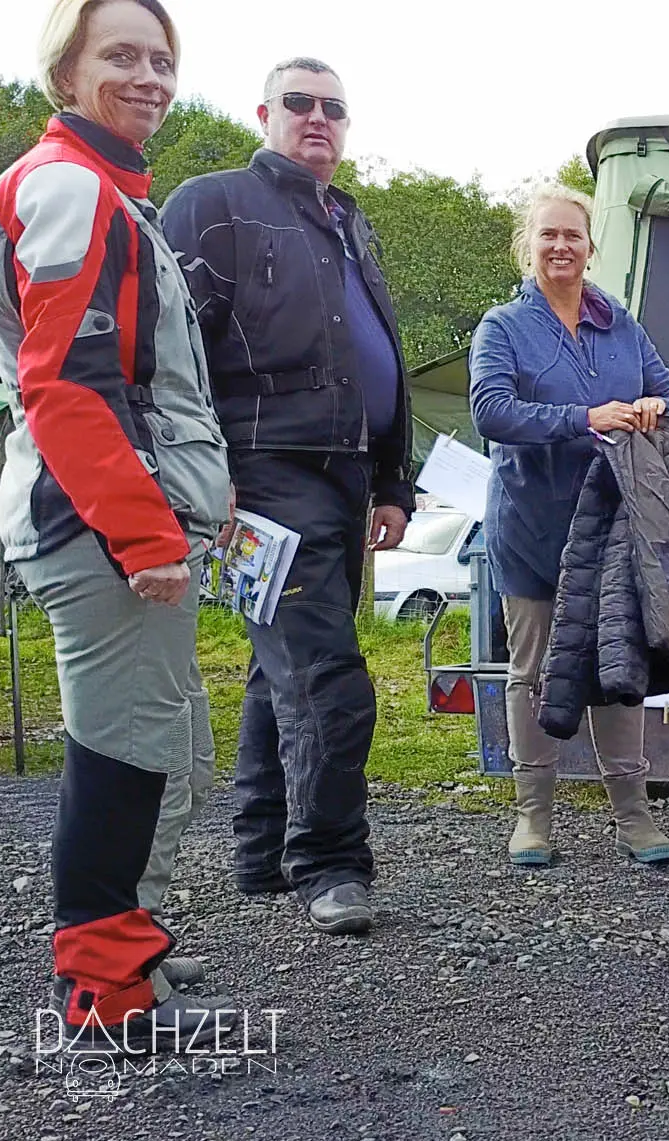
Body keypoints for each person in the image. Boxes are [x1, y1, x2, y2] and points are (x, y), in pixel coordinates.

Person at [0, 0, 236, 1047]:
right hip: (96, 529)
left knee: (157, 743)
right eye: (119, 55)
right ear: (65, 71)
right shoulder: (72, 189)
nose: (149, 76)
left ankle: (131, 952)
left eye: (162, 60)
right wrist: (144, 532)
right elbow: (67, 384)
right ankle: (105, 992)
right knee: (124, 752)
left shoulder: (104, 193)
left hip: (105, 521)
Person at [161, 57, 414, 934]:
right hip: (263, 472)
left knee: (285, 676)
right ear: (265, 112)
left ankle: (261, 849)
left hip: (346, 476)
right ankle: (331, 864)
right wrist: (203, 472)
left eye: (335, 108)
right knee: (328, 678)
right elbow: (171, 349)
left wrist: (391, 479)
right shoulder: (215, 201)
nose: (319, 119)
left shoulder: (349, 221)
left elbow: (378, 351)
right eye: (300, 104)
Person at [469, 184, 669, 868]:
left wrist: (656, 405)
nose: (561, 246)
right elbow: (491, 411)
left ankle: (634, 818)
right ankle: (532, 819)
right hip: (533, 529)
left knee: (620, 666)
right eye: (548, 236)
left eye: (573, 235)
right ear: (528, 246)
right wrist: (583, 418)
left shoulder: (622, 327)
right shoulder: (502, 327)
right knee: (532, 669)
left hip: (614, 529)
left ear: (591, 247)